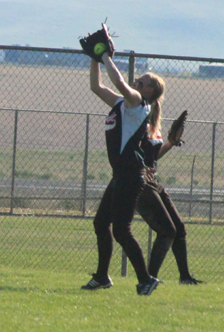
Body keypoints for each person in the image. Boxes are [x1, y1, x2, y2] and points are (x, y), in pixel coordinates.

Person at [81, 51, 166, 296]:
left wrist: (106, 55)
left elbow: (118, 81)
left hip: (131, 174)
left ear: (148, 91)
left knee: (121, 230)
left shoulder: (138, 102)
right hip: (122, 174)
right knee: (101, 224)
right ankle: (101, 277)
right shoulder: (122, 103)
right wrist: (94, 58)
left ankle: (145, 279)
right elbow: (96, 87)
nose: (138, 80)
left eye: (143, 81)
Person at [136, 112, 204, 285]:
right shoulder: (137, 118)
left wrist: (171, 143)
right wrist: (141, 168)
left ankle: (185, 277)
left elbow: (154, 155)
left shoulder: (153, 125)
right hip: (141, 184)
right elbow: (131, 151)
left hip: (154, 182)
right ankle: (149, 278)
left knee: (179, 228)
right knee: (167, 230)